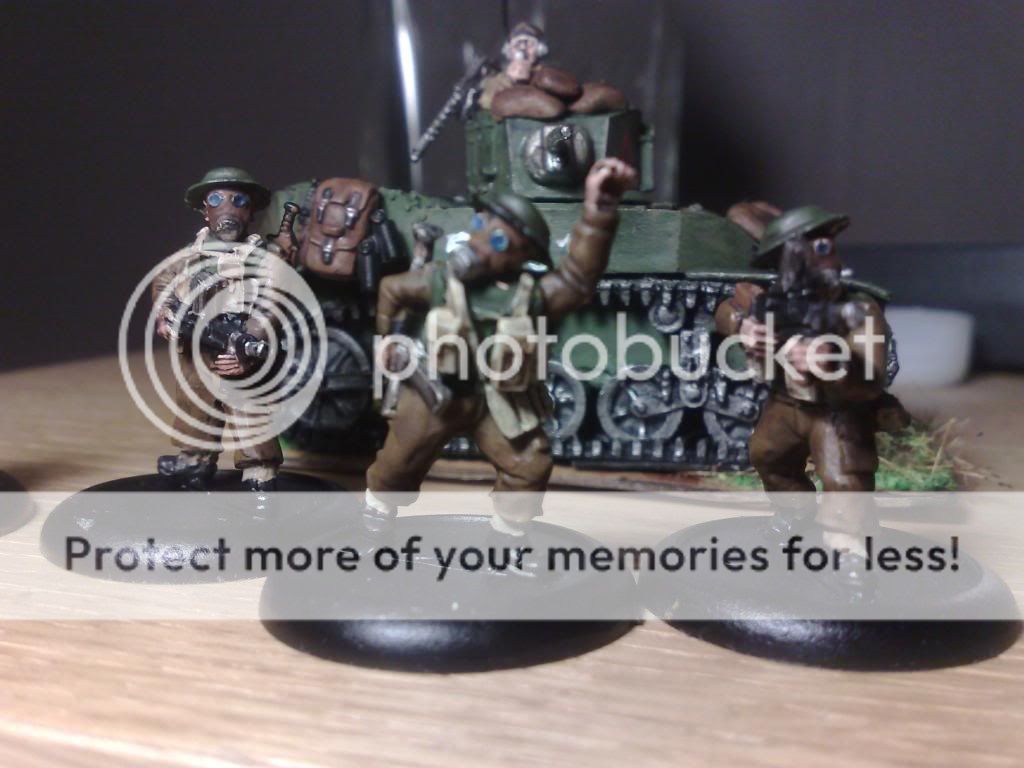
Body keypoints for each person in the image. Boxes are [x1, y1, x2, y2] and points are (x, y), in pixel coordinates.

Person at [365, 158, 638, 536]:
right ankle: (375, 521)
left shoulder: (532, 296)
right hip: (434, 393)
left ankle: (508, 537)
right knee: (397, 463)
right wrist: (390, 338)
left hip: (498, 400)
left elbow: (578, 279)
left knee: (529, 465)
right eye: (480, 226)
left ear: (523, 256)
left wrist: (599, 214)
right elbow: (392, 290)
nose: (480, 243)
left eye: (499, 241)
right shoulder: (440, 281)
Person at [151, 167, 284, 491]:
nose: (228, 208)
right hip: (195, 348)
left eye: (239, 200)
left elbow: (273, 303)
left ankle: (259, 470)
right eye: (216, 199)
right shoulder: (190, 255)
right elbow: (163, 281)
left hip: (237, 346)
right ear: (204, 210)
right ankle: (195, 461)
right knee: (195, 403)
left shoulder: (264, 258)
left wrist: (249, 343)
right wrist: (165, 314)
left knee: (248, 406)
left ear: (250, 211)